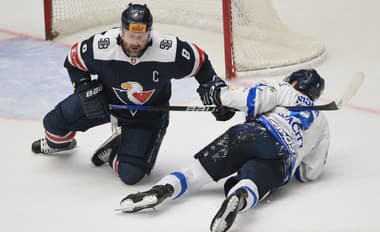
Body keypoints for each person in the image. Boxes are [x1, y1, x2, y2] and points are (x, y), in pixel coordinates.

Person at [31, 3, 234, 185]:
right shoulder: (102, 46)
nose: (136, 42)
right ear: (122, 31)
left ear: (150, 33)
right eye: (131, 36)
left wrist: (215, 90)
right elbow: (73, 61)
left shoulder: (168, 50)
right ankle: (61, 144)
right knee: (53, 124)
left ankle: (115, 150)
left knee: (130, 174)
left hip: (146, 117)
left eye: (141, 37)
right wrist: (84, 89)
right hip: (105, 103)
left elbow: (201, 63)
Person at [118, 69, 330, 232]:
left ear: (293, 81)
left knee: (195, 173)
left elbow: (251, 99)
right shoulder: (322, 122)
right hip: (284, 155)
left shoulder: (284, 89)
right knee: (252, 182)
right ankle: (239, 195)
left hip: (251, 133)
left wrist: (219, 95)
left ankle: (160, 190)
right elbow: (309, 173)